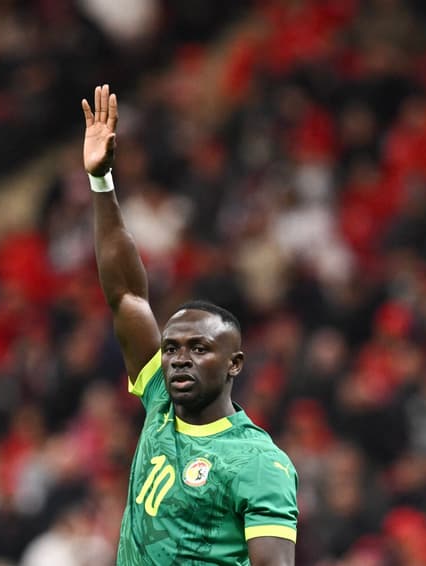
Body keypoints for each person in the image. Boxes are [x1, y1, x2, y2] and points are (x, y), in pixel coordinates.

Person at [82, 84, 298, 565]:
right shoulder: (160, 397)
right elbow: (127, 295)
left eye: (199, 348)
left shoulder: (256, 462)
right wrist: (101, 183)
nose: (179, 357)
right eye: (172, 346)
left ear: (234, 363)